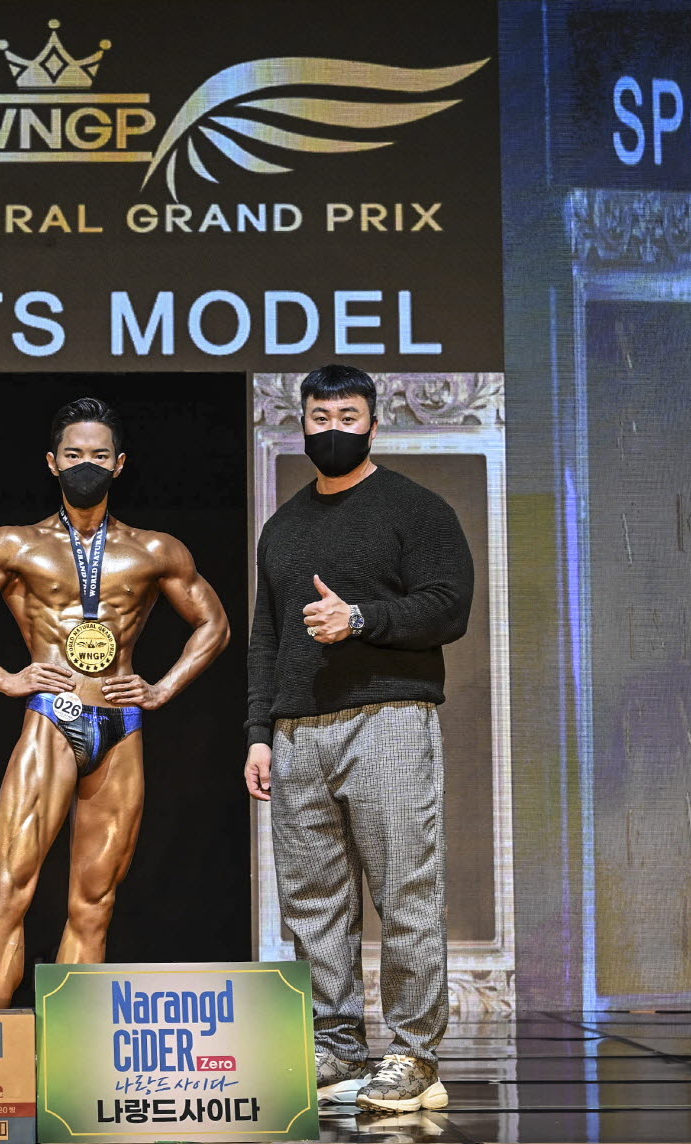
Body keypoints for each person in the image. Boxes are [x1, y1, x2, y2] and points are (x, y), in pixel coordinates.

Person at [0, 397, 229, 1009]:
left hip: (121, 723)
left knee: (94, 902)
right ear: (52, 462)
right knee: (10, 888)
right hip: (52, 719)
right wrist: (5, 678)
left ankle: (69, 1045)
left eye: (97, 454)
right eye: (73, 454)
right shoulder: (16, 545)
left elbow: (214, 624)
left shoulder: (154, 551)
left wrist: (163, 688)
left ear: (119, 464)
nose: (85, 464)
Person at [243, 364, 471, 1113]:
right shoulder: (282, 527)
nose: (332, 430)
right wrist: (259, 732)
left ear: (374, 423)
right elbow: (267, 636)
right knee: (311, 900)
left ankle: (413, 1057)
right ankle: (336, 1045)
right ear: (300, 423)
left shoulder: (416, 509)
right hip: (296, 730)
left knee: (405, 890)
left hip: (389, 717)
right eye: (320, 418)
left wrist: (361, 619)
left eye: (347, 417)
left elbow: (449, 605)